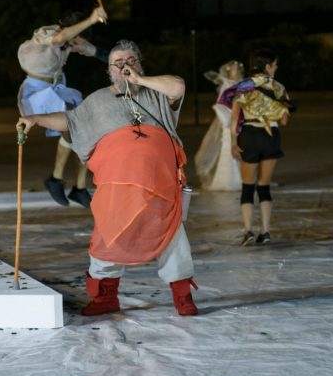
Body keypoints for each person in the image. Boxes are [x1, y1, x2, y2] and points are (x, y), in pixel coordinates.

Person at [17, 39, 199, 316]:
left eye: (130, 61)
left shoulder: (157, 94)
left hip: (160, 183)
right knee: (109, 235)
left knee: (172, 236)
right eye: (118, 63)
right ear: (110, 70)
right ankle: (105, 297)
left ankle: (182, 297)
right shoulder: (97, 100)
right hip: (116, 184)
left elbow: (179, 86)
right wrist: (35, 120)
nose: (124, 67)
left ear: (139, 64)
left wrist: (140, 79)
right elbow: (70, 121)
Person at [17, 7, 108, 208]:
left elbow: (95, 51)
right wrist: (92, 18)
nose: (75, 42)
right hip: (35, 92)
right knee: (70, 122)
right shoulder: (47, 32)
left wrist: (124, 60)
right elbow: (59, 38)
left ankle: (79, 187)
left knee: (84, 126)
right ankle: (55, 179)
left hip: (55, 89)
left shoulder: (70, 42)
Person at [223, 50, 292, 246]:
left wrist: (234, 144)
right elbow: (284, 120)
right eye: (275, 64)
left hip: (250, 136)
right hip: (271, 137)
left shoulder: (244, 86)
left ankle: (248, 231)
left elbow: (235, 117)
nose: (276, 68)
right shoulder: (279, 87)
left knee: (247, 187)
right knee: (264, 186)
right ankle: (266, 231)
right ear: (267, 66)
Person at [194, 60, 244, 191]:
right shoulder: (226, 84)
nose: (236, 70)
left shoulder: (243, 83)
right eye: (234, 68)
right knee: (228, 147)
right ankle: (228, 179)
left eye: (238, 68)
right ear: (228, 70)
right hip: (229, 119)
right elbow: (221, 103)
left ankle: (244, 176)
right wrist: (228, 119)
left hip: (242, 118)